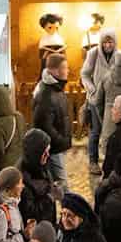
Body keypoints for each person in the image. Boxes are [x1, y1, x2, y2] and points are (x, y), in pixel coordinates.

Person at [31, 53, 74, 192]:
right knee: (62, 185)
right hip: (53, 148)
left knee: (53, 182)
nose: (68, 71)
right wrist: (61, 140)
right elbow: (43, 125)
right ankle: (69, 211)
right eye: (65, 68)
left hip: (56, 146)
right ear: (55, 71)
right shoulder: (46, 94)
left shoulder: (56, 87)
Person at [79, 30, 117, 175]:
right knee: (96, 131)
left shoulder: (118, 55)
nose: (107, 45)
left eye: (110, 42)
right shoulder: (93, 54)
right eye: (105, 42)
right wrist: (92, 89)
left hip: (111, 99)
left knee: (111, 131)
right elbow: (85, 74)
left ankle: (110, 161)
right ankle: (93, 161)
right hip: (95, 98)